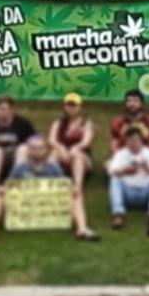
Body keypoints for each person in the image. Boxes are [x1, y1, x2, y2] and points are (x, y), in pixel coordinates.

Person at [48, 93, 100, 241]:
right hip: (63, 156)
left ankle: (78, 185)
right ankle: (52, 182)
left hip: (83, 158)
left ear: (79, 107)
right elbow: (52, 140)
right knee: (53, 154)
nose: (71, 108)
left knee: (77, 156)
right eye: (68, 105)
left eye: (74, 105)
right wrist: (61, 148)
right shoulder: (58, 123)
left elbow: (87, 141)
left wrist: (76, 148)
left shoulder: (86, 123)